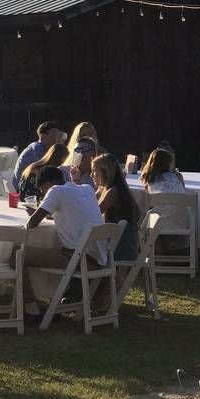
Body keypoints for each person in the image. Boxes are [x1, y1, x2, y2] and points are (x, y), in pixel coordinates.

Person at [14, 165, 106, 316]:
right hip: (99, 258)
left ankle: (32, 308)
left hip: (79, 260)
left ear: (48, 184)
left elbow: (32, 224)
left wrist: (36, 212)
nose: (43, 195)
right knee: (58, 250)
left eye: (42, 191)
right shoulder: (87, 189)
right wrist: (46, 210)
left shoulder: (55, 191)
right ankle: (63, 297)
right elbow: (74, 212)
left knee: (17, 255)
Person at [140, 147, 188, 253]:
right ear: (169, 163)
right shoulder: (178, 177)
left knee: (149, 214)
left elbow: (149, 206)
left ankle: (148, 252)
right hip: (183, 220)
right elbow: (183, 195)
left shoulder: (149, 181)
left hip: (161, 223)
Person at [92, 154, 139, 261]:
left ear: (106, 173)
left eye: (94, 171)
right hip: (115, 243)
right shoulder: (105, 189)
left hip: (121, 248)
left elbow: (93, 212)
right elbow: (88, 205)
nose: (91, 175)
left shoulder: (114, 191)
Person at [12, 121, 60, 191]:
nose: (56, 136)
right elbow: (44, 170)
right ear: (42, 136)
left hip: (25, 187)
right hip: (22, 190)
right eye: (53, 132)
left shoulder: (40, 148)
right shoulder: (37, 147)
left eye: (57, 133)